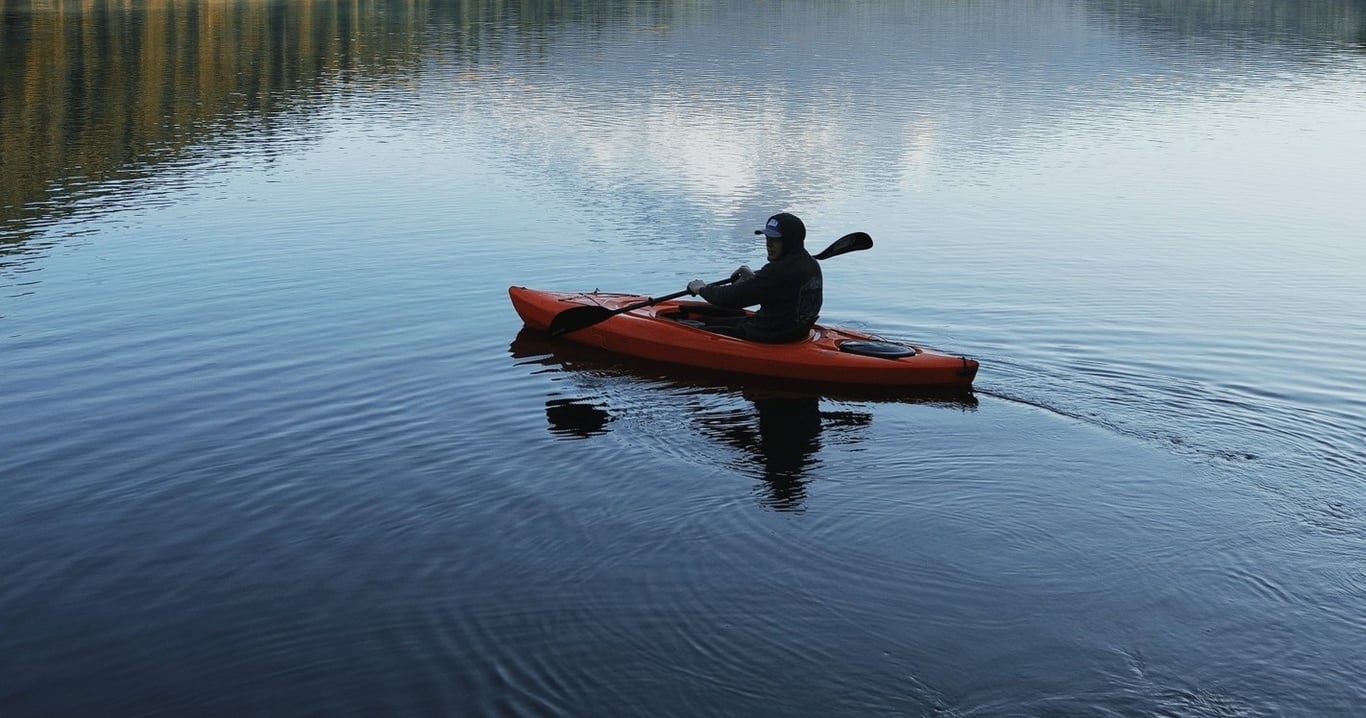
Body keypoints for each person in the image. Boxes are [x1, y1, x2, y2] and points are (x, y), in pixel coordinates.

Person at [685, 212, 823, 343]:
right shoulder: (811, 264)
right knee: (710, 319)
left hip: (767, 337)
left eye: (775, 239)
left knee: (692, 328)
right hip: (792, 333)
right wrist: (754, 279)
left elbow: (729, 299)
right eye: (767, 238)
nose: (768, 244)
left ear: (789, 241)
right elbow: (780, 289)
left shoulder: (777, 272)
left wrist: (702, 289)